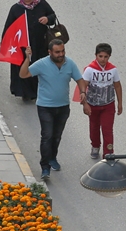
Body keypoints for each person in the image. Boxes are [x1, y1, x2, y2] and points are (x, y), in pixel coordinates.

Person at [20, 39, 87, 179]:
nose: (61, 54)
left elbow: (80, 80)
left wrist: (82, 92)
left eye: (62, 51)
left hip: (63, 107)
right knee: (47, 136)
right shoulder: (42, 64)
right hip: (45, 107)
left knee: (56, 136)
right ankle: (45, 167)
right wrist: (27, 58)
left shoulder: (70, 64)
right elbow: (23, 74)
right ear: (49, 52)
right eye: (57, 52)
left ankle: (52, 158)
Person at [4, 0, 55, 102]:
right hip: (23, 47)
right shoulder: (16, 9)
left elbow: (53, 16)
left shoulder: (42, 4)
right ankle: (25, 93)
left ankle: (40, 91)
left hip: (40, 45)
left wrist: (47, 19)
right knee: (24, 68)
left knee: (40, 67)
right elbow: (9, 29)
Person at [81, 43, 123, 160]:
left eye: (105, 57)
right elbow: (83, 87)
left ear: (109, 57)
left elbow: (117, 86)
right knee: (94, 127)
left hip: (108, 105)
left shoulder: (113, 70)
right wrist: (85, 104)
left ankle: (108, 153)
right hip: (93, 105)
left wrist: (120, 103)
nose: (103, 59)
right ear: (96, 55)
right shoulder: (90, 70)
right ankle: (95, 146)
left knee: (107, 130)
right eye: (100, 56)